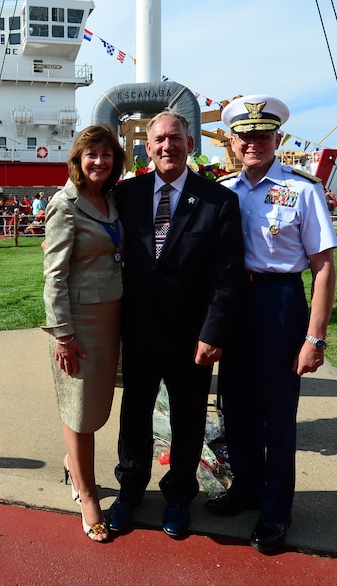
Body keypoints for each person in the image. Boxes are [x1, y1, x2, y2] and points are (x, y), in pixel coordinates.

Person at [205, 95, 337, 556]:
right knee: (235, 404)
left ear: (277, 138)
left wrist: (314, 338)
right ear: (234, 143)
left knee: (278, 414)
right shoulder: (224, 190)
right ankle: (245, 488)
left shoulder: (303, 189)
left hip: (281, 301)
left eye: (263, 135)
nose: (254, 143)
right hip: (236, 303)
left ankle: (276, 508)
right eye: (246, 136)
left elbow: (323, 267)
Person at [107, 110, 244, 541]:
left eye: (176, 138)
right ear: (148, 148)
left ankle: (179, 497)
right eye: (159, 140)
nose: (168, 146)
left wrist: (213, 332)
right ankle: (129, 491)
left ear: (190, 143)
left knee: (187, 418)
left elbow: (226, 275)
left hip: (191, 336)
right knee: (134, 415)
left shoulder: (218, 200)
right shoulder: (125, 195)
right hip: (140, 332)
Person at [42, 125, 127, 542]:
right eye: (91, 154)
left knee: (96, 406)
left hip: (113, 318)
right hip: (80, 323)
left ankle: (71, 464)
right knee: (79, 410)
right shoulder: (65, 204)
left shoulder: (109, 200)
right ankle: (88, 495)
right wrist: (62, 334)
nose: (99, 161)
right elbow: (54, 275)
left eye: (107, 154)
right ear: (77, 159)